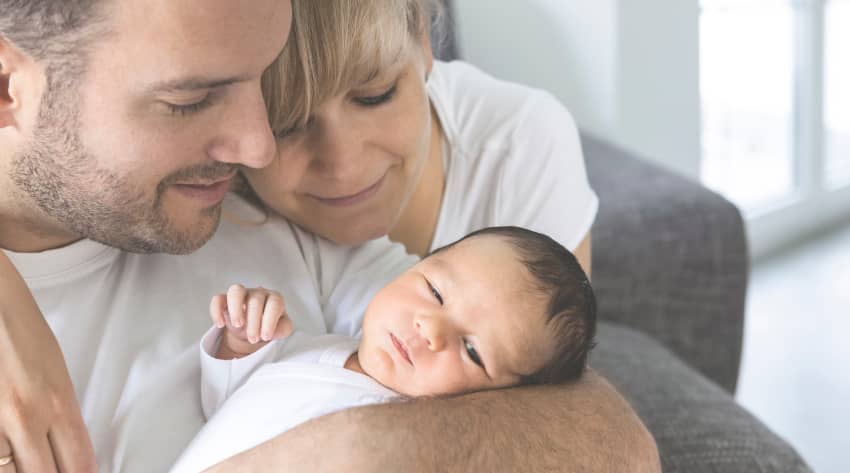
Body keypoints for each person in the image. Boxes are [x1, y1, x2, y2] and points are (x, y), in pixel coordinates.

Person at [206, 0, 660, 471]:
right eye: (287, 122)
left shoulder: (518, 148)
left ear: (423, 41)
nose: (344, 166)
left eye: (375, 94)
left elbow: (558, 393)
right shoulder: (206, 199)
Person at [1, 2, 413, 472]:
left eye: (265, 76)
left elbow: (511, 399)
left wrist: (341, 447)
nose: (260, 148)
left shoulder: (281, 216)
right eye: (189, 102)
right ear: (7, 88)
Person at [171, 226, 597, 472]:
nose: (430, 329)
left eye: (471, 350)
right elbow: (225, 408)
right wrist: (242, 343)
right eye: (434, 291)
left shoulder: (413, 442)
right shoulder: (316, 348)